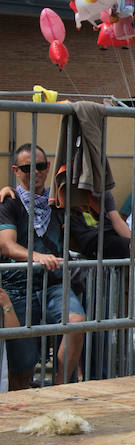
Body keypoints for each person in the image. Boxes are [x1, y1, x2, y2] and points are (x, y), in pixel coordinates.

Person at [0, 145, 87, 387]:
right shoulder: (8, 202)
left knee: (77, 322)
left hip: (54, 284)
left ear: (48, 167)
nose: (34, 172)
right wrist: (37, 256)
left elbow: (92, 226)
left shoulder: (57, 201)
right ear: (16, 170)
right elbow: (6, 246)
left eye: (40, 166)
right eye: (27, 168)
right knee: (21, 370)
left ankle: (58, 387)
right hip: (18, 290)